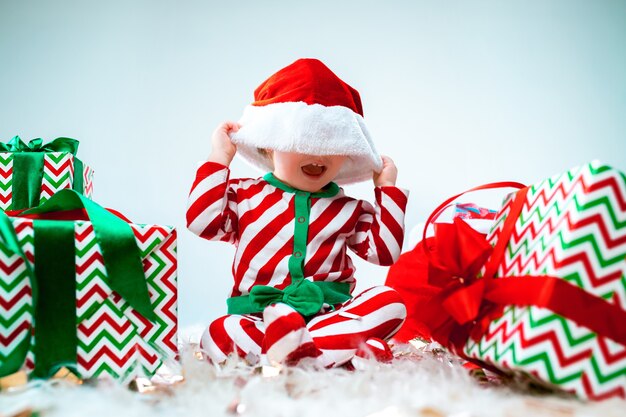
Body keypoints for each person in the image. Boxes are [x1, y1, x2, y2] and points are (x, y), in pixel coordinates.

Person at [186, 58, 409, 368]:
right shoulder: (245, 196)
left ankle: (306, 349)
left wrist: (387, 188)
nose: (317, 153)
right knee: (219, 332)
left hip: (329, 316)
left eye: (331, 142)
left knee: (390, 302)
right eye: (302, 140)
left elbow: (384, 253)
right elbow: (201, 223)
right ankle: (334, 353)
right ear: (268, 144)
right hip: (259, 319)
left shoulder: (348, 210)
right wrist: (219, 158)